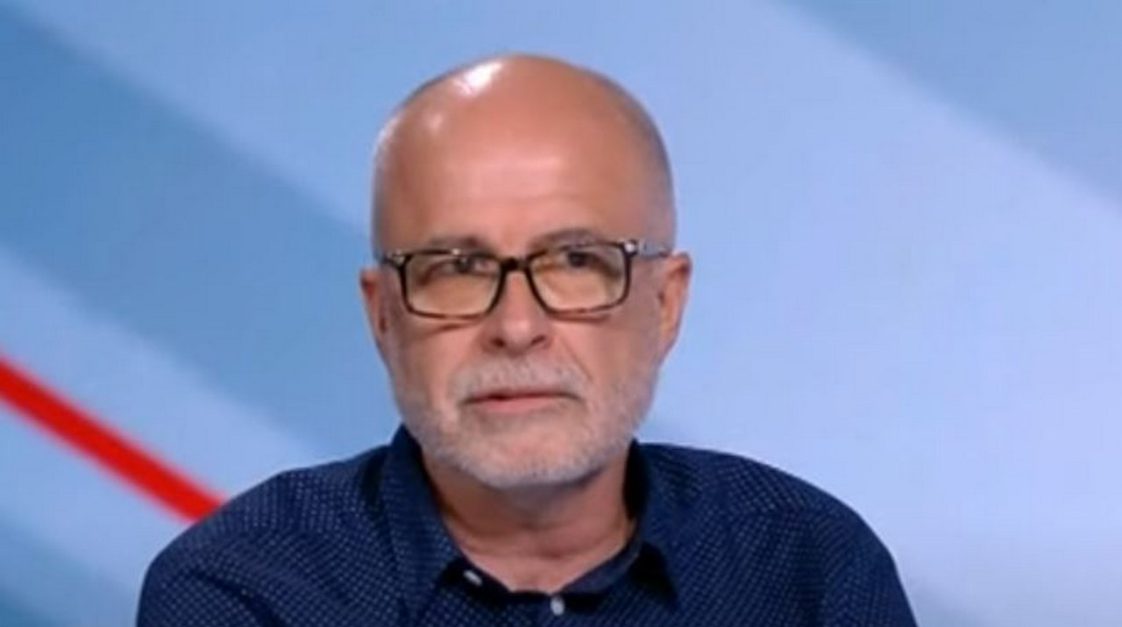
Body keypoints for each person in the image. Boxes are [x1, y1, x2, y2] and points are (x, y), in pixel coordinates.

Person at [138, 54, 916, 626]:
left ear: (666, 304)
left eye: (577, 262)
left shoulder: (808, 569)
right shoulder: (245, 590)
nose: (516, 326)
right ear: (383, 315)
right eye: (455, 268)